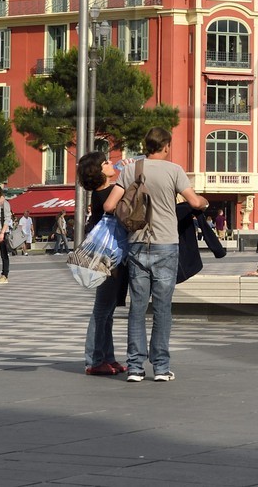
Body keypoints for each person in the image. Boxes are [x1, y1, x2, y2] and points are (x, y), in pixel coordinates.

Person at [121, 127, 208, 382]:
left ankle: (134, 368)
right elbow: (194, 202)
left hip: (136, 244)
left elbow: (110, 204)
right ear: (166, 146)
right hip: (166, 244)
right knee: (162, 308)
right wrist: (204, 202)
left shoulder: (131, 170)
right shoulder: (174, 170)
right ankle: (160, 368)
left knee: (137, 308)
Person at [79, 150, 127, 377]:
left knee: (107, 310)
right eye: (106, 163)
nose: (111, 164)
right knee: (101, 310)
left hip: (110, 255)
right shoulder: (105, 193)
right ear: (98, 171)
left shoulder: (104, 192)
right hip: (107, 256)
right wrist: (127, 173)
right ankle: (94, 359)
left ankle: (107, 357)